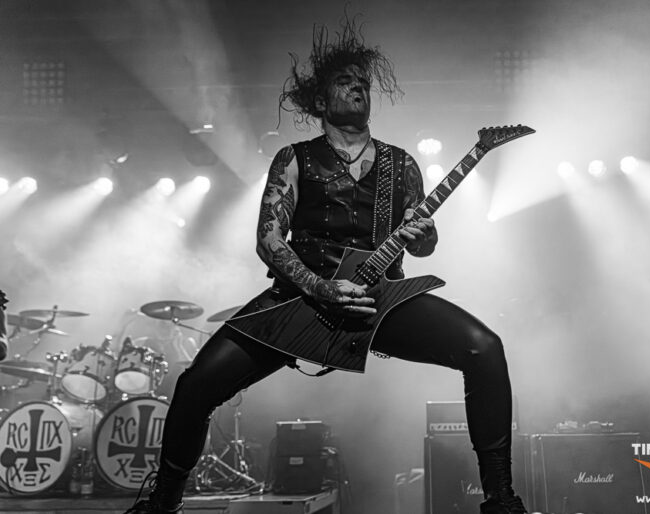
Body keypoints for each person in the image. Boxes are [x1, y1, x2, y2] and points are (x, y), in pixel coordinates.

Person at [127, 19, 527, 514]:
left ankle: (501, 499)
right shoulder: (293, 159)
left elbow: (423, 247)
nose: (359, 87)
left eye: (364, 82)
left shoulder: (401, 164)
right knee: (195, 386)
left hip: (378, 300)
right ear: (320, 101)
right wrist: (320, 288)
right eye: (345, 80)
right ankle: (162, 504)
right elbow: (268, 240)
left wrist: (425, 235)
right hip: (300, 299)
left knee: (484, 348)